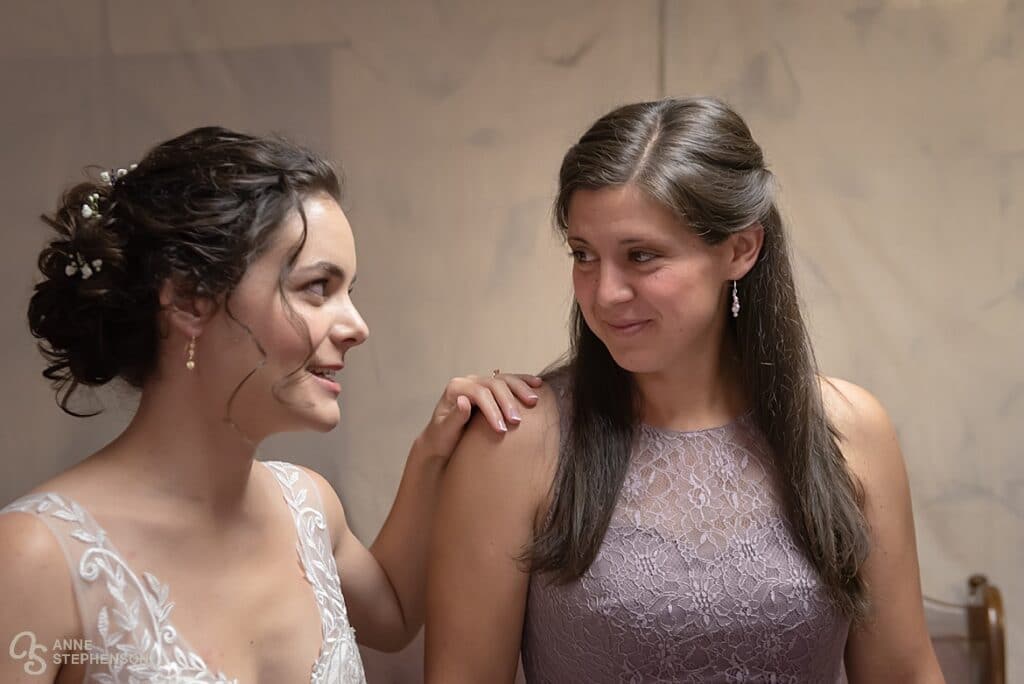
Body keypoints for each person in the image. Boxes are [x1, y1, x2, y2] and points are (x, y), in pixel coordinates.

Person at [425, 97, 944, 683]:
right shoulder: (514, 443)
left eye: (641, 256)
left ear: (740, 249)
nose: (604, 293)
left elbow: (904, 672)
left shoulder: (851, 429)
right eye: (584, 256)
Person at [0, 127, 540, 684]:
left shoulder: (308, 507)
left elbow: (396, 616)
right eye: (317, 288)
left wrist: (432, 453)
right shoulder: (35, 557)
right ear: (189, 298)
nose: (357, 326)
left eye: (349, 291)